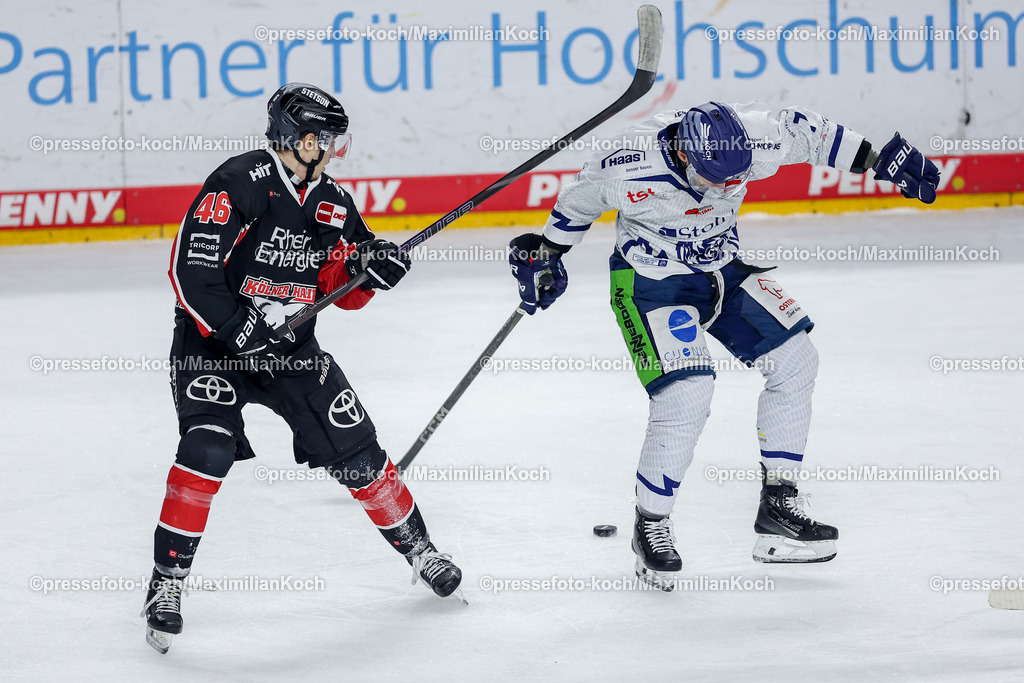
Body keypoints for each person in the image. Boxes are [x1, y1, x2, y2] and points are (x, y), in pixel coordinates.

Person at [508, 101, 939, 589]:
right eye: (714, 178)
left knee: (797, 361)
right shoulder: (625, 163)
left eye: (735, 179)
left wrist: (881, 160)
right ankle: (651, 524)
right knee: (687, 395)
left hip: (723, 271)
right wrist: (546, 256)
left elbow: (817, 135)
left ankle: (778, 507)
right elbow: (576, 204)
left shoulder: (756, 137)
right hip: (652, 285)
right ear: (685, 155)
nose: (725, 189)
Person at [142, 82, 463, 653]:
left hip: (291, 351)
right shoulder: (238, 182)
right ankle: (166, 582)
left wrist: (371, 268)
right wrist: (241, 332)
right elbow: (191, 273)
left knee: (359, 452)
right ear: (302, 139)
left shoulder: (333, 201)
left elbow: (344, 284)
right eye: (327, 139)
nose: (334, 150)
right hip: (214, 345)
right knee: (207, 448)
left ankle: (421, 550)